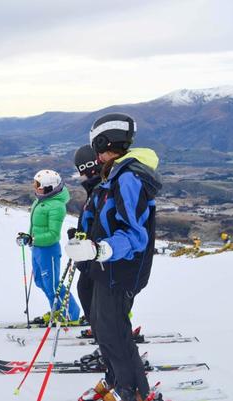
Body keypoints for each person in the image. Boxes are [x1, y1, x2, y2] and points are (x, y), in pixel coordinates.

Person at [66, 113, 162, 401]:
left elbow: (134, 234)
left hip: (122, 269)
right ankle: (115, 379)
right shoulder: (115, 174)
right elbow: (103, 221)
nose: (95, 154)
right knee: (102, 327)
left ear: (105, 142)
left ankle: (131, 391)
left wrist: (100, 250)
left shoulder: (129, 178)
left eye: (97, 147)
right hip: (105, 268)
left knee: (115, 331)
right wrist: (84, 241)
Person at [16, 169, 80, 324]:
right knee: (40, 281)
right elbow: (37, 227)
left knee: (52, 285)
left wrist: (33, 239)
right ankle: (57, 310)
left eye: (38, 185)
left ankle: (71, 315)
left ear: (49, 187)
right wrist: (28, 238)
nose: (35, 187)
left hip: (48, 249)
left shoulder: (56, 206)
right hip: (37, 248)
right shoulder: (41, 200)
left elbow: (53, 234)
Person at [72, 144, 103, 324]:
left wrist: (85, 239)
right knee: (86, 291)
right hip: (90, 252)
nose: (81, 175)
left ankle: (109, 336)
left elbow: (101, 224)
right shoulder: (94, 189)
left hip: (97, 254)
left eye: (81, 170)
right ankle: (101, 332)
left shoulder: (101, 189)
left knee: (88, 291)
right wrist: (78, 235)